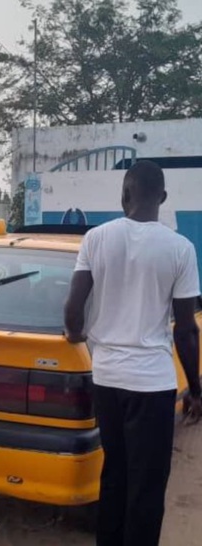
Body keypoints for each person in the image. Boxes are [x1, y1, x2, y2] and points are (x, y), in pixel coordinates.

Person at [64, 159, 202, 546]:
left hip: (106, 379)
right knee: (148, 484)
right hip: (152, 383)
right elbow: (187, 330)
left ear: (125, 193)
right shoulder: (180, 248)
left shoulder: (96, 238)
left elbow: (73, 308)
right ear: (163, 197)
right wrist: (195, 387)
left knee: (115, 475)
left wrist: (76, 334)